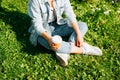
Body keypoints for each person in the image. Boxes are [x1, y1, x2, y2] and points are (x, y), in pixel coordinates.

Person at [28, 0, 102, 66]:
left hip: (57, 24)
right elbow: (38, 26)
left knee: (82, 26)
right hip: (44, 28)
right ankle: (84, 49)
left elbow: (70, 15)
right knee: (45, 41)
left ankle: (64, 51)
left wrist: (79, 34)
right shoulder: (34, 1)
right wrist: (49, 39)